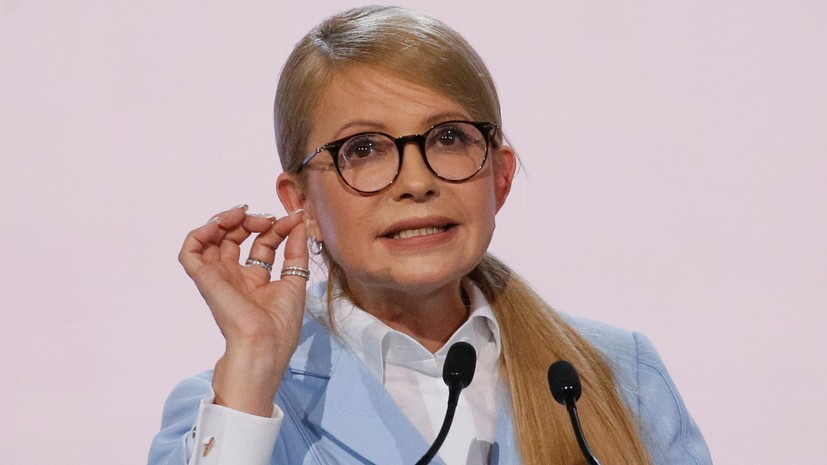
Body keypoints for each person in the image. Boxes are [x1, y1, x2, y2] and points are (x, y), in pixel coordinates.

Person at [148, 5, 712, 465]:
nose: (417, 182)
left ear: (499, 178)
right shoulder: (232, 407)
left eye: (448, 138)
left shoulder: (619, 374)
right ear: (302, 204)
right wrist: (253, 366)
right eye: (363, 149)